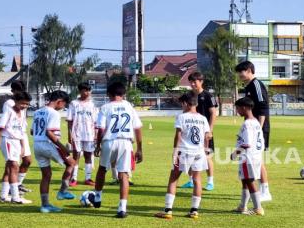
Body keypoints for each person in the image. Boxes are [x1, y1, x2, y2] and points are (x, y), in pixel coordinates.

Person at [91, 82, 143, 218]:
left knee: (102, 169)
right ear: (123, 94)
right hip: (126, 142)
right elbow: (137, 128)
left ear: (109, 94)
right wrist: (140, 148)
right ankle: (122, 208)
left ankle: (97, 198)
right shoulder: (129, 107)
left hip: (109, 141)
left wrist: (98, 145)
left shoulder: (105, 107)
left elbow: (101, 128)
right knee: (124, 175)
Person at [155, 91, 210, 220]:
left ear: (185, 103)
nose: (182, 107)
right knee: (197, 180)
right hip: (199, 152)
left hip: (184, 151)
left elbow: (178, 135)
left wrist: (175, 151)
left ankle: (168, 210)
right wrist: (206, 150)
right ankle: (194, 211)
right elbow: (207, 136)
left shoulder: (182, 117)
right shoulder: (203, 118)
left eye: (182, 104)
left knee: (173, 178)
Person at [32, 90, 76, 213]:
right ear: (59, 101)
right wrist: (63, 147)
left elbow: (32, 131)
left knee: (46, 175)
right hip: (49, 144)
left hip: (37, 145)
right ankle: (63, 192)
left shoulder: (37, 112)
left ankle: (45, 205)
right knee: (72, 163)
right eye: (64, 104)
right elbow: (49, 132)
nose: (63, 107)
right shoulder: (54, 113)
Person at [235, 61, 272, 202]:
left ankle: (265, 191)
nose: (239, 74)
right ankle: (261, 190)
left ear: (249, 70)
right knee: (256, 160)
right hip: (253, 127)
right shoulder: (249, 86)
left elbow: (263, 107)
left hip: (258, 128)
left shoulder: (256, 84)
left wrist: (259, 128)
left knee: (258, 160)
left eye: (241, 71)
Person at [0, 91, 32, 204]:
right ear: (16, 101)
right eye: (22, 103)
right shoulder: (8, 112)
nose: (24, 106)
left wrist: (23, 146)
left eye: (27, 104)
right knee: (14, 167)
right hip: (8, 141)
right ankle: (15, 197)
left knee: (9, 169)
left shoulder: (22, 113)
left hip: (17, 142)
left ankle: (3, 196)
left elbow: (22, 131)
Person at [180, 71, 217, 191]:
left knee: (207, 156)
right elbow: (185, 110)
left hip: (204, 131)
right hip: (191, 131)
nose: (192, 84)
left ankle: (210, 181)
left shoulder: (208, 95)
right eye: (190, 81)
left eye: (194, 81)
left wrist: (209, 130)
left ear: (201, 82)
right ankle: (191, 180)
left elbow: (213, 113)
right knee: (189, 155)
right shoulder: (189, 95)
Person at [230, 97, 265, 216]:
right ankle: (242, 206)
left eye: (238, 108)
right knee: (245, 181)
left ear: (244, 108)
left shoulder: (247, 124)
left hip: (248, 157)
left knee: (249, 181)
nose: (237, 111)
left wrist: (235, 153)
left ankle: (258, 208)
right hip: (256, 156)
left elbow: (246, 144)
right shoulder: (256, 122)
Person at [3, 80, 32, 194]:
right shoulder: (9, 103)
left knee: (28, 161)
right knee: (12, 164)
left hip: (22, 134)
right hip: (12, 136)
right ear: (12, 91)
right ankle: (9, 189)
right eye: (18, 91)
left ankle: (18, 184)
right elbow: (7, 122)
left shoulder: (23, 102)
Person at [67, 82, 98, 186]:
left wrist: (96, 135)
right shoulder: (73, 103)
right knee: (76, 155)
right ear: (80, 91)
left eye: (89, 90)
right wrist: (69, 134)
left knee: (88, 155)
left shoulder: (92, 104)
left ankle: (88, 178)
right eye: (85, 90)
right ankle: (73, 178)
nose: (87, 92)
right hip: (77, 134)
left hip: (90, 134)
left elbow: (95, 121)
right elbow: (70, 120)